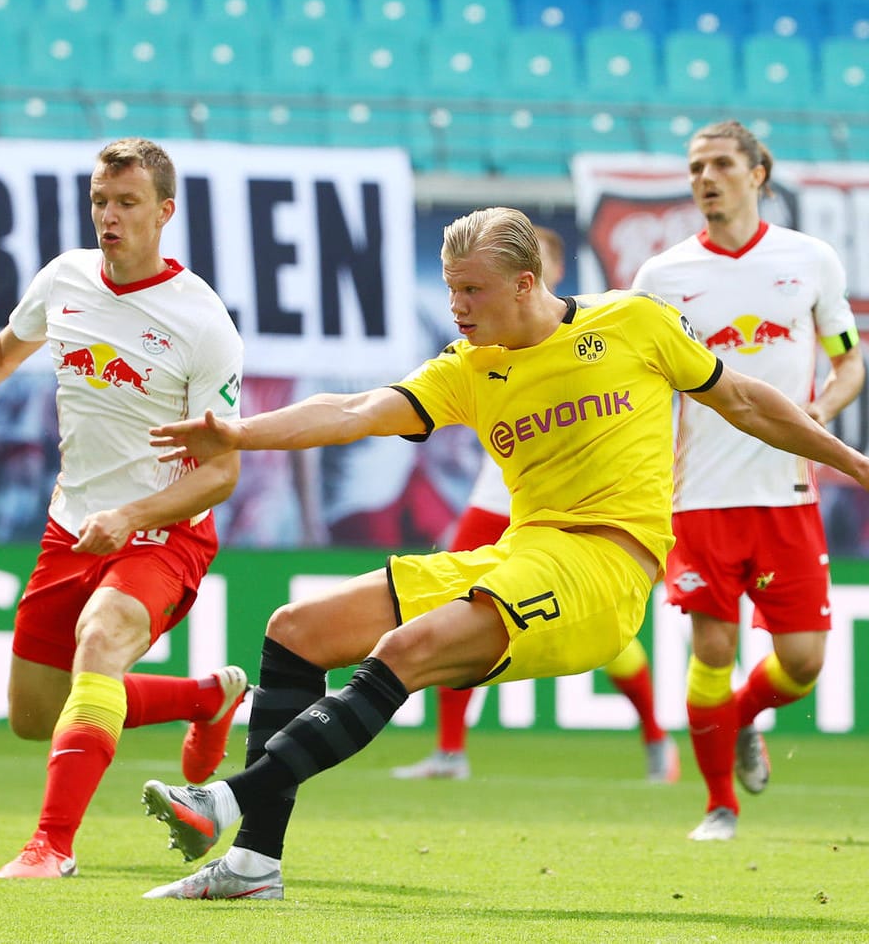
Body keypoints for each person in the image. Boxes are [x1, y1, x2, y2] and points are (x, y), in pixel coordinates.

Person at [137, 206, 869, 900]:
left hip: (604, 567)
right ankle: (253, 861)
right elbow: (355, 410)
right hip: (522, 553)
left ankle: (224, 799)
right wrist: (240, 431)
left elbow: (744, 400)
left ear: (525, 284)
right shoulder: (469, 366)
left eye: (471, 290)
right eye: (451, 288)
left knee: (406, 647)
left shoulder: (634, 323)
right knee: (297, 628)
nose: (456, 305)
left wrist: (855, 463)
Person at [0, 137, 250, 879]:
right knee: (34, 717)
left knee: (102, 638)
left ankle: (51, 846)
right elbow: (2, 352)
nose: (109, 216)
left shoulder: (202, 323)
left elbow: (223, 473)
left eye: (127, 203)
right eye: (100, 202)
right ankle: (204, 697)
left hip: (163, 531)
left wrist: (136, 513)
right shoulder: (65, 279)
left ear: (165, 212)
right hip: (72, 525)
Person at [631, 120, 864, 842]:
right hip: (697, 495)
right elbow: (639, 388)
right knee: (712, 649)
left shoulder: (811, 260)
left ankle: (742, 718)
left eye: (722, 163)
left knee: (802, 661)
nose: (706, 177)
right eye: (696, 165)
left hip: (787, 493)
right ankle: (718, 804)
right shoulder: (660, 279)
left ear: (758, 173)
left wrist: (820, 410)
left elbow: (849, 359)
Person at [393, 225, 678, 785]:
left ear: (539, 280)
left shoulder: (593, 335)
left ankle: (654, 736)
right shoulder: (477, 350)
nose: (467, 304)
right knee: (450, 610)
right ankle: (450, 751)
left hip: (570, 512)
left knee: (608, 644)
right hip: (493, 498)